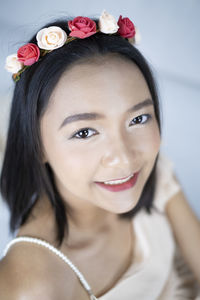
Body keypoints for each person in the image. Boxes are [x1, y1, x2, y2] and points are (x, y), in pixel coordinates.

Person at [0, 10, 200, 300]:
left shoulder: (153, 170)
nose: (125, 159)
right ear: (37, 145)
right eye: (84, 132)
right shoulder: (32, 285)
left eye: (138, 119)